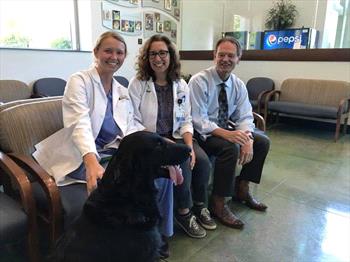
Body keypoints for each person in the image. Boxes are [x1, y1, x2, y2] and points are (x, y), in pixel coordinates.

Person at [32, 31, 173, 258]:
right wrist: (90, 161)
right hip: (80, 155)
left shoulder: (120, 89)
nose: (113, 56)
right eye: (108, 50)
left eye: (119, 52)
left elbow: (130, 126)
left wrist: (156, 141)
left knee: (160, 173)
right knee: (108, 192)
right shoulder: (79, 81)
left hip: (111, 153)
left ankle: (154, 233)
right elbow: (79, 123)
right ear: (96, 52)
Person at [128, 35, 216, 240]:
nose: (158, 58)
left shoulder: (180, 84)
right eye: (153, 54)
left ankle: (201, 207)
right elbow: (133, 119)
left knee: (201, 161)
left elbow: (185, 120)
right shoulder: (138, 83)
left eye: (163, 53)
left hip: (176, 136)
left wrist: (189, 146)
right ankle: (184, 213)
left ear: (171, 56)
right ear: (146, 58)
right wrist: (160, 142)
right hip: (151, 139)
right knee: (183, 161)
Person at [189, 37, 270, 229]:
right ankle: (218, 202)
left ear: (238, 58)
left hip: (227, 127)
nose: (225, 59)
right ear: (214, 56)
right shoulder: (199, 81)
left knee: (262, 141)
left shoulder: (238, 84)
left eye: (231, 56)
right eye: (221, 55)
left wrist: (248, 139)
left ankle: (242, 187)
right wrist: (228, 135)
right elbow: (198, 120)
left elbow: (245, 116)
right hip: (204, 134)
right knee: (230, 148)